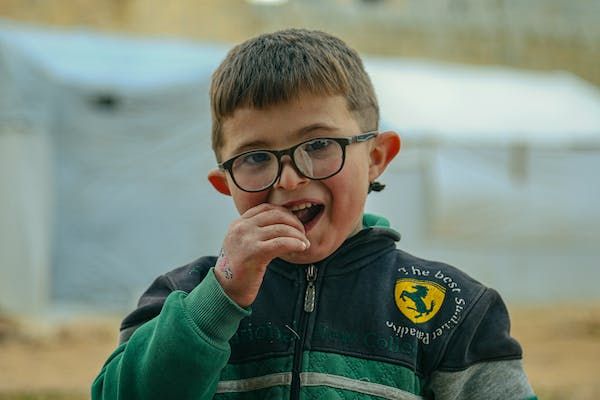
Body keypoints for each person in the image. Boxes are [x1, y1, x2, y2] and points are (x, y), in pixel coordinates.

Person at [92, 28, 536, 400]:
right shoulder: (184, 298)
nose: (288, 179)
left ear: (377, 157)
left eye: (320, 146)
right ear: (224, 183)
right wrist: (220, 298)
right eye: (255, 157)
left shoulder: (453, 307)